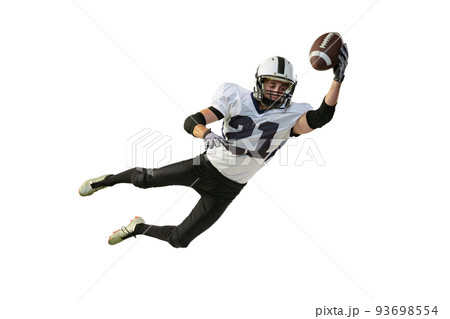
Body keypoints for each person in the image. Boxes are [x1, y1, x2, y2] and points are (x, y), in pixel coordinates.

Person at [78, 45, 348, 248]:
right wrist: (205, 134)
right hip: (205, 167)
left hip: (229, 188)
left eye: (283, 86)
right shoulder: (235, 96)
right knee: (145, 180)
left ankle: (137, 229)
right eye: (272, 83)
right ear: (260, 81)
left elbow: (320, 117)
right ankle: (108, 181)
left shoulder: (292, 115)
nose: (277, 90)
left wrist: (336, 79)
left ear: (290, 88)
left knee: (180, 240)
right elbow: (192, 121)